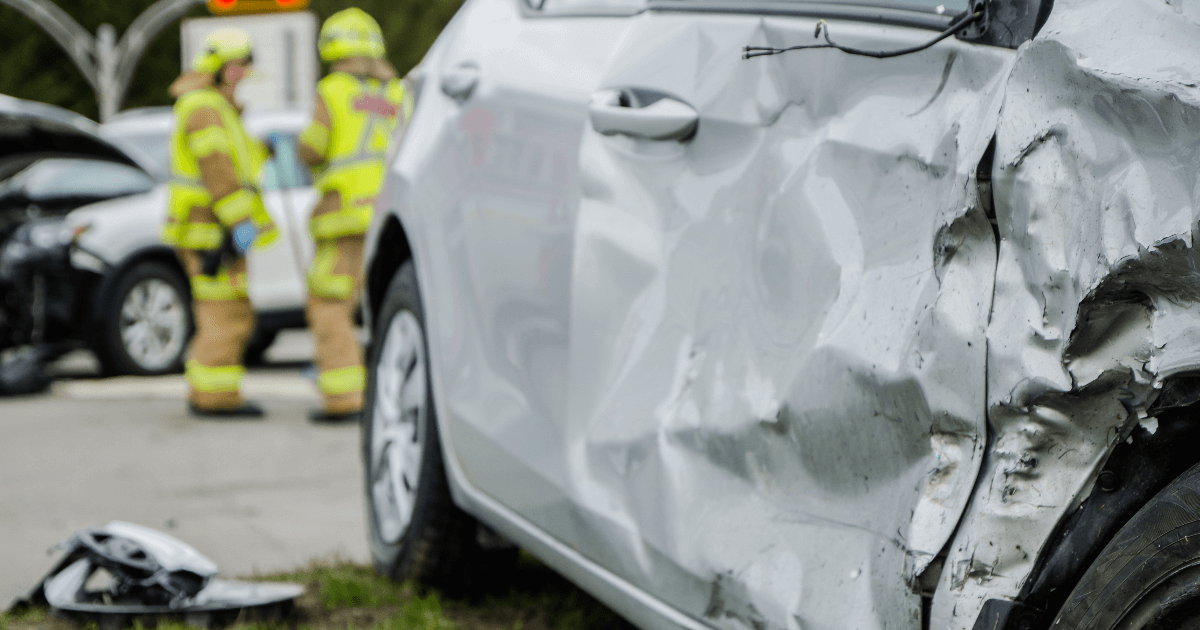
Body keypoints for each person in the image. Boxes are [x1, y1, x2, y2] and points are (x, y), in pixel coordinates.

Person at [299, 8, 410, 421]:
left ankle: (344, 397)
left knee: (329, 305)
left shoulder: (332, 91)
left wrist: (294, 150)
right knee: (385, 308)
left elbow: (314, 146)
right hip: (389, 216)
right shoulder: (397, 92)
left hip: (343, 217)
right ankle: (390, 398)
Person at [163, 28, 278, 417]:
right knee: (223, 313)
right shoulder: (205, 107)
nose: (243, 78)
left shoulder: (211, 106)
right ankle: (215, 396)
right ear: (225, 69)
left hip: (211, 230)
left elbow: (233, 162)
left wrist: (264, 149)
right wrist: (240, 222)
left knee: (225, 311)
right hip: (210, 231)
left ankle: (209, 390)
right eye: (240, 70)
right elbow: (217, 170)